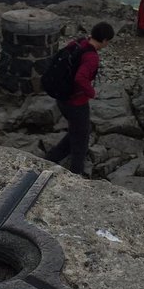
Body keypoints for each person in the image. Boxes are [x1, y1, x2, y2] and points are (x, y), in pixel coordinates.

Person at [45, 22, 114, 175]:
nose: (107, 44)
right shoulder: (91, 57)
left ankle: (50, 158)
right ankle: (76, 176)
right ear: (104, 40)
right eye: (108, 41)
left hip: (62, 97)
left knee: (78, 132)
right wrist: (91, 92)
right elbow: (80, 78)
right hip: (76, 102)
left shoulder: (78, 42)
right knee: (81, 142)